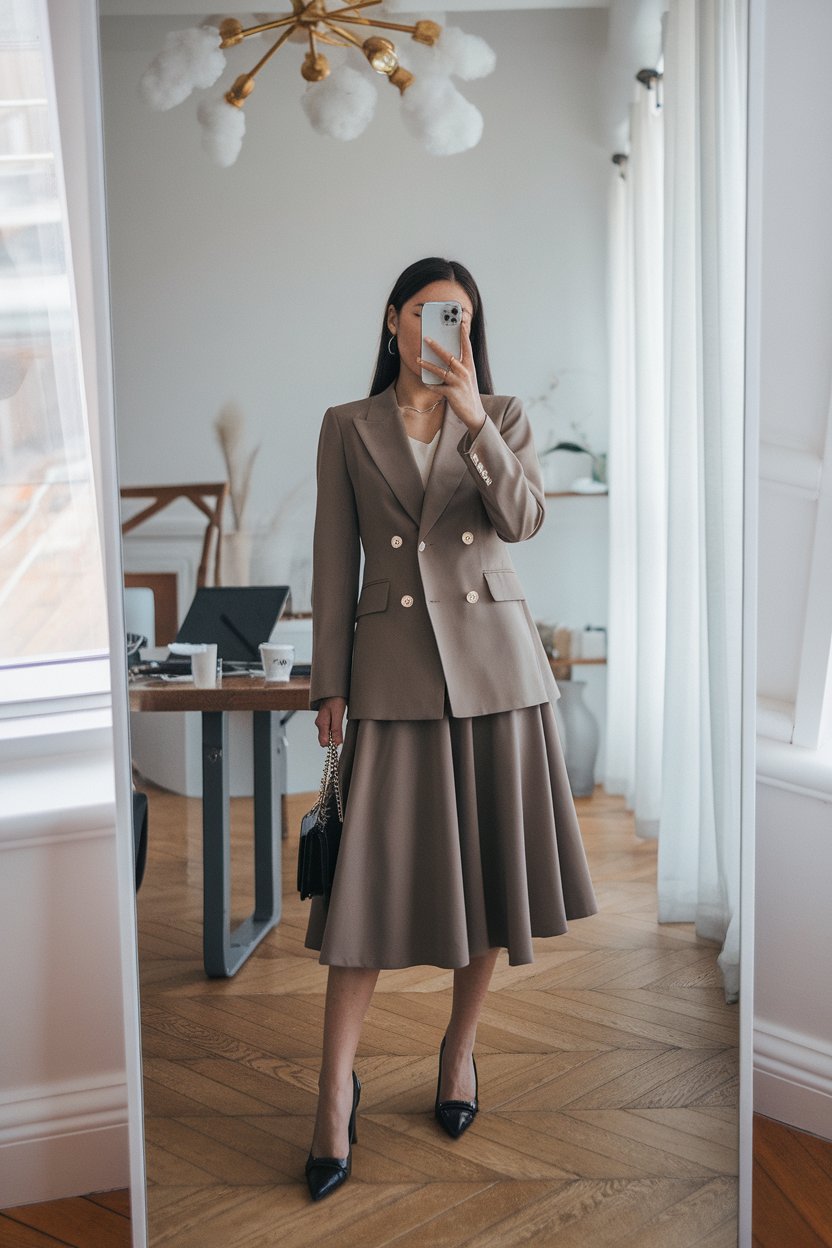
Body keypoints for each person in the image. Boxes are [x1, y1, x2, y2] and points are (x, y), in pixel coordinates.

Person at [303, 256, 598, 1201]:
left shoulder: (499, 415)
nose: (448, 330)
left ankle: (459, 1053)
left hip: (496, 675)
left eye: (463, 318)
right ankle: (330, 1095)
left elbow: (523, 520)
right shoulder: (346, 426)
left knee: (488, 876)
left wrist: (473, 418)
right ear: (394, 320)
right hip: (390, 678)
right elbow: (329, 562)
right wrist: (328, 686)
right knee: (361, 904)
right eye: (433, 314)